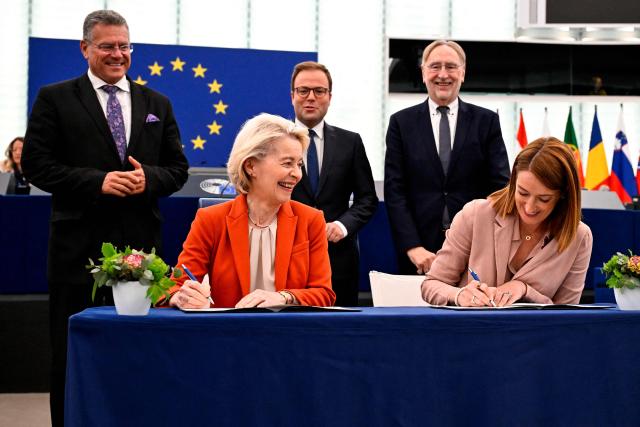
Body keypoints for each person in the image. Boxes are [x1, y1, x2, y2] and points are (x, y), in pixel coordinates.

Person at [21, 10, 188, 426]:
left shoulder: (157, 104)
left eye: (124, 46)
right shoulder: (54, 98)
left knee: (140, 353)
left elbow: (178, 169)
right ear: (85, 48)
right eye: (107, 46)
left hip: (143, 258)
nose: (118, 54)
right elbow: (37, 166)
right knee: (71, 352)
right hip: (76, 255)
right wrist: (98, 181)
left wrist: (146, 178)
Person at [169, 113, 335, 309]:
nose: (297, 174)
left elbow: (324, 294)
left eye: (299, 164)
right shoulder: (210, 219)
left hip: (289, 335)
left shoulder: (311, 220)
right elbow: (174, 287)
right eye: (287, 163)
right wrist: (181, 298)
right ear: (251, 166)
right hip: (228, 335)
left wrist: (284, 297)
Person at [384, 39, 510, 275]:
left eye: (451, 67)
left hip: (475, 250)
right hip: (419, 256)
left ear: (462, 73)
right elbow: (395, 191)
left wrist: (483, 242)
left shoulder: (486, 122)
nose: (443, 74)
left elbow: (500, 188)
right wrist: (412, 246)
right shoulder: (401, 123)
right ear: (423, 73)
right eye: (434, 66)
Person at [421, 138, 593, 306]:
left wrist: (524, 290)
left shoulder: (579, 237)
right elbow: (432, 284)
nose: (529, 207)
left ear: (562, 195)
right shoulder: (476, 215)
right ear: (513, 182)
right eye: (523, 193)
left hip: (536, 335)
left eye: (544, 199)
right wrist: (459, 295)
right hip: (471, 332)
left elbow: (568, 316)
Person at [290, 61, 378, 306]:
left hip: (338, 260)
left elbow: (367, 199)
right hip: (286, 255)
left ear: (329, 97)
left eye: (319, 91)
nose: (311, 98)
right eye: (303, 90)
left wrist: (343, 225)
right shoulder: (274, 141)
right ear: (292, 96)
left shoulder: (350, 143)